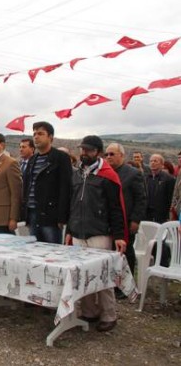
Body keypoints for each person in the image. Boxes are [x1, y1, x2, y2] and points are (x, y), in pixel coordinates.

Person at [66, 135, 127, 332]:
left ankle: (109, 314)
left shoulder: (107, 176)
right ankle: (89, 311)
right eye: (82, 149)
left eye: (89, 150)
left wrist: (119, 235)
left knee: (103, 276)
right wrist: (69, 230)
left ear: (98, 152)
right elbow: (72, 205)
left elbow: (116, 208)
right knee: (82, 275)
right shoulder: (76, 175)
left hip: (99, 232)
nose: (84, 153)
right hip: (78, 232)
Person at [22, 121, 72, 244]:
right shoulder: (32, 160)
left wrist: (62, 217)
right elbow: (27, 187)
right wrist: (26, 215)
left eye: (40, 133)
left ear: (50, 137)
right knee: (35, 252)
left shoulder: (61, 157)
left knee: (53, 252)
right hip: (33, 213)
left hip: (50, 215)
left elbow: (66, 188)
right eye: (34, 134)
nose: (36, 137)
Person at [105, 143, 147, 285]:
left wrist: (135, 220)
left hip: (126, 220)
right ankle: (112, 282)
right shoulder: (105, 173)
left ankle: (126, 284)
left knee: (125, 252)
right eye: (106, 154)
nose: (108, 157)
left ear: (121, 155)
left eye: (112, 154)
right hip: (108, 220)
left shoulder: (133, 174)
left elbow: (141, 198)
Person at [145, 154, 175, 223]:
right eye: (151, 161)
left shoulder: (169, 179)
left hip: (161, 216)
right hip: (147, 214)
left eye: (155, 161)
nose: (152, 163)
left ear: (162, 164)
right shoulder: (145, 178)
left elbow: (171, 198)